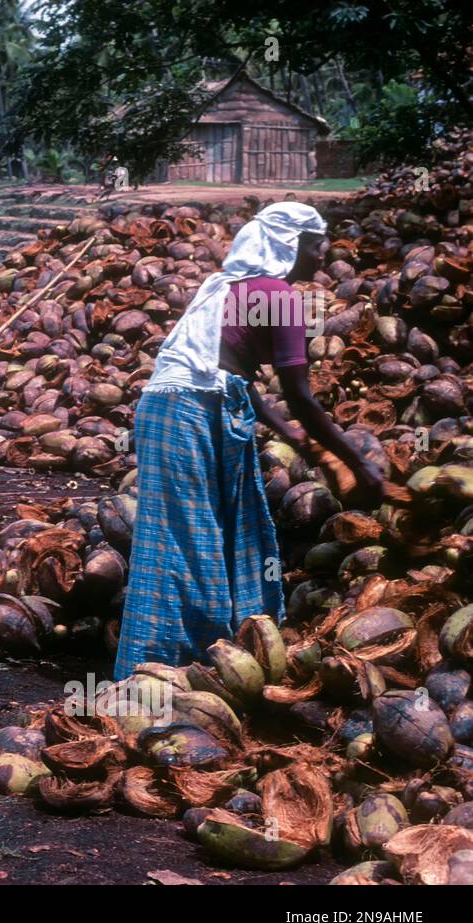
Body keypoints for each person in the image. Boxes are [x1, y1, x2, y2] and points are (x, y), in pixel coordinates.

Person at [113, 201, 384, 681]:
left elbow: (233, 373)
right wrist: (359, 464)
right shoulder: (277, 296)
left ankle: (212, 659)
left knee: (213, 531)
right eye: (317, 241)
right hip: (187, 410)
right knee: (189, 539)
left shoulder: (234, 289)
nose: (324, 252)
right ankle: (168, 672)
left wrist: (292, 436)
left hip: (180, 404)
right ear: (291, 244)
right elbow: (300, 396)